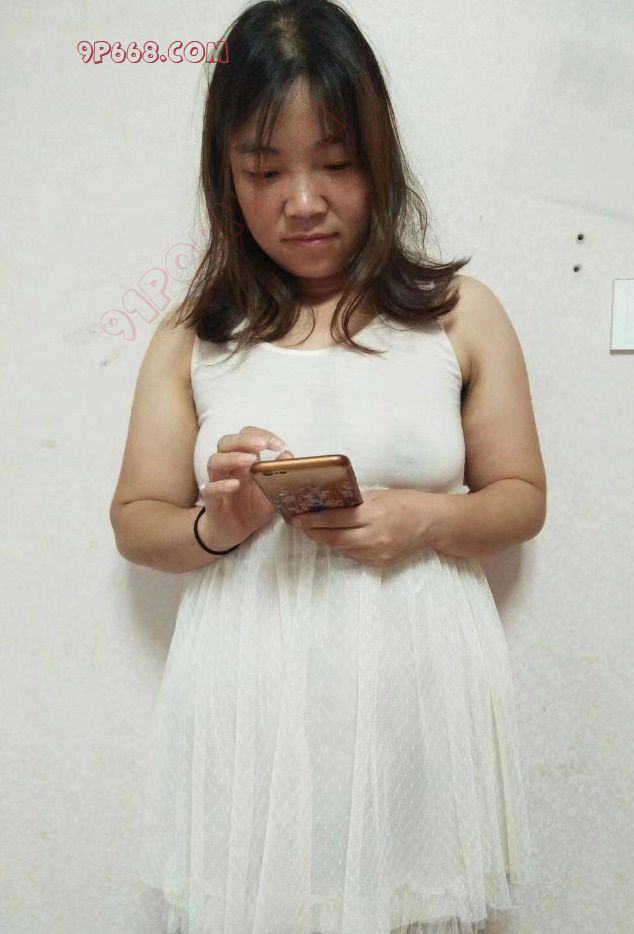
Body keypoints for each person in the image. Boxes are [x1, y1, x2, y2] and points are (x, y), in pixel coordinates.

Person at [109, 1, 547, 932]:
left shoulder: (460, 313)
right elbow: (137, 520)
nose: (302, 201)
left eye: (337, 163)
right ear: (225, 176)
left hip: (418, 705)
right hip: (251, 714)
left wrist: (424, 519)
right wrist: (216, 526)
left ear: (379, 158)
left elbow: (522, 499)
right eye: (264, 170)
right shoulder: (194, 335)